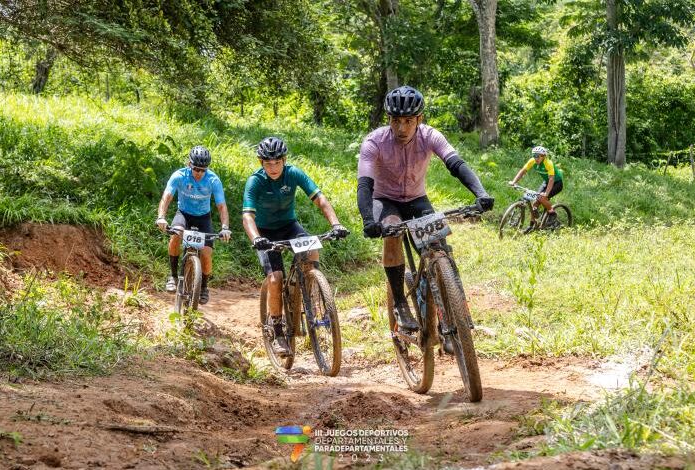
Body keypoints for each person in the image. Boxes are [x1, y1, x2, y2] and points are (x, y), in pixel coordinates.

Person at [357, 85, 494, 338]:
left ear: (419, 119)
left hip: (417, 199)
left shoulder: (431, 136)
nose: (402, 128)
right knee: (392, 232)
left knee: (438, 247)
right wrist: (368, 219)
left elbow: (456, 164)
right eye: (396, 121)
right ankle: (400, 303)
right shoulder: (374, 142)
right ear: (389, 119)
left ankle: (455, 313)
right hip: (385, 200)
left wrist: (481, 193)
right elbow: (365, 185)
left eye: (408, 121)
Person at [242, 136, 349, 357]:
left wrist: (336, 223)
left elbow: (320, 198)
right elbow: (247, 217)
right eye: (268, 163)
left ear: (284, 160)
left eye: (277, 162)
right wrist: (255, 238)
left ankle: (310, 287)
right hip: (265, 233)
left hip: (289, 226)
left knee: (312, 249)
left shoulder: (294, 173)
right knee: (276, 278)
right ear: (261, 162)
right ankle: (277, 327)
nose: (273, 167)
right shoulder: (256, 181)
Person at [156, 145, 231, 305]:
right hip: (183, 214)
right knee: (176, 234)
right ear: (189, 164)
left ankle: (203, 286)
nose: (199, 173)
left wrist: (225, 227)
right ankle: (173, 275)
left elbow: (221, 206)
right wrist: (161, 217)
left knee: (206, 253)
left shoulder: (213, 180)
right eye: (196, 169)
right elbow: (166, 197)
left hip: (203, 218)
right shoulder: (179, 176)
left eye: (203, 170)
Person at [508, 145, 564, 231]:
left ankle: (552, 214)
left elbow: (552, 179)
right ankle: (532, 226)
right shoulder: (532, 161)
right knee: (535, 203)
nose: (536, 158)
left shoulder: (548, 163)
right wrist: (514, 181)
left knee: (542, 198)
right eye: (534, 155)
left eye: (538, 156)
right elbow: (523, 171)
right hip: (546, 181)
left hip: (557, 183)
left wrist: (546, 194)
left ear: (543, 156)